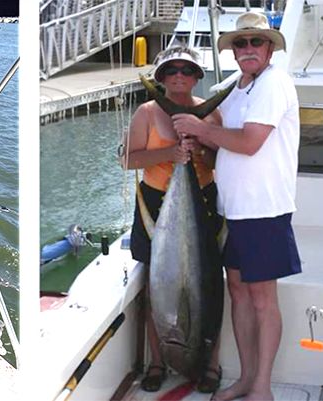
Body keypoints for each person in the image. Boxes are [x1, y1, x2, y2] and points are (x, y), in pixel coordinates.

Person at [172, 11, 302, 401]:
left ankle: (261, 386)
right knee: (240, 293)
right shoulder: (237, 84)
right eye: (240, 43)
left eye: (255, 42)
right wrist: (172, 96)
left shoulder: (273, 84)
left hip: (263, 211)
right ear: (232, 50)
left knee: (263, 299)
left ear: (269, 48)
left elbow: (248, 142)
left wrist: (198, 129)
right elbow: (208, 113)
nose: (247, 49)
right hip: (232, 211)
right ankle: (245, 378)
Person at [120, 44, 224, 393]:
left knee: (208, 284)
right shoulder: (147, 113)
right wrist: (171, 152)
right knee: (158, 284)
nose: (179, 75)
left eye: (187, 70)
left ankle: (212, 364)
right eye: (172, 70)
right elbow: (128, 160)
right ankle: (155, 362)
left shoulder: (210, 115)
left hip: (202, 203)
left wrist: (201, 146)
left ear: (197, 76)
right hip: (155, 204)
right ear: (161, 77)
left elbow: (219, 161)